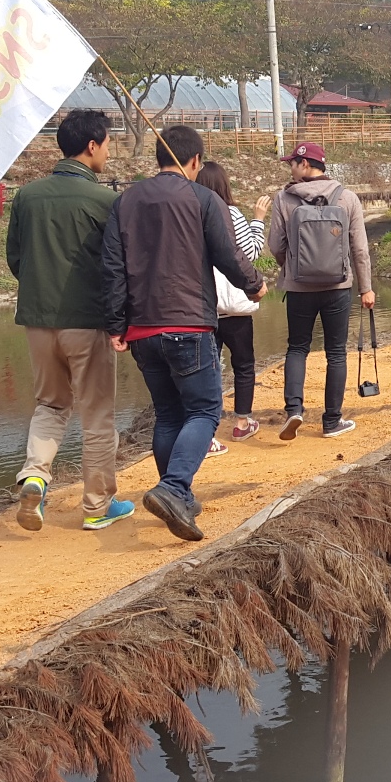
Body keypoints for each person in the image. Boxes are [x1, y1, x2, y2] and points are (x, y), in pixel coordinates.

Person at [103, 125, 266, 543]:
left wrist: (116, 325)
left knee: (169, 414)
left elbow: (114, 268)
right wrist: (254, 284)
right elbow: (228, 255)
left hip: (142, 329)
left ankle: (178, 494)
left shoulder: (125, 201)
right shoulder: (203, 198)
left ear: (158, 156)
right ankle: (174, 488)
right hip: (189, 323)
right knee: (205, 411)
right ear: (194, 161)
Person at [6, 109, 128, 533]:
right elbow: (119, 265)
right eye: (108, 143)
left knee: (51, 404)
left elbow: (16, 260)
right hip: (88, 322)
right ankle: (96, 506)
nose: (109, 151)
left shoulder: (27, 196)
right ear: (92, 146)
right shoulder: (106, 201)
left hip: (38, 322)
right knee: (97, 415)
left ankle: (35, 475)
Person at [266, 141, 375, 444]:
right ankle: (331, 420)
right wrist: (366, 288)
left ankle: (293, 410)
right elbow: (360, 249)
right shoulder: (348, 198)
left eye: (293, 163)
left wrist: (291, 267)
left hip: (299, 288)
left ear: (305, 165)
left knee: (297, 347)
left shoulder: (284, 199)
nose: (290, 167)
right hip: (338, 287)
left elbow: (275, 246)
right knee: (336, 353)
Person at [194, 161, 270, 443]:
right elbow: (250, 252)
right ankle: (242, 422)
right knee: (243, 364)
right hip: (235, 306)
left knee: (208, 369)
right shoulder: (232, 214)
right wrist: (258, 219)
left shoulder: (191, 212)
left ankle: (207, 431)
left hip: (203, 307)